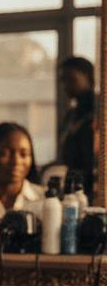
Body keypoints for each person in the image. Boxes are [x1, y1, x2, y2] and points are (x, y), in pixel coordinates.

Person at [58, 55, 97, 198]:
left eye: (71, 78)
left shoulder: (98, 110)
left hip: (93, 186)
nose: (65, 85)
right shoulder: (71, 114)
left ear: (88, 77)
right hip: (73, 186)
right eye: (63, 80)